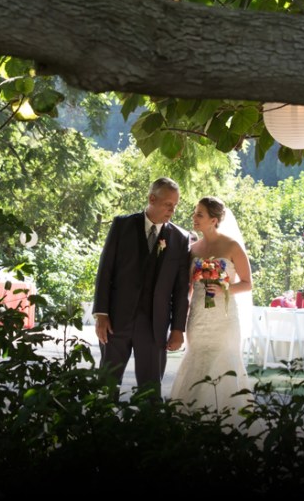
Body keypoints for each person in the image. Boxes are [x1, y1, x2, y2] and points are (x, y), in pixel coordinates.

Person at [92, 177, 192, 401]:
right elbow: (105, 271)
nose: (172, 210)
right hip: (116, 321)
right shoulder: (122, 225)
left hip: (154, 325)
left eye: (175, 205)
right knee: (106, 384)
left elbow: (181, 288)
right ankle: (99, 427)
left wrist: (178, 329)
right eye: (168, 204)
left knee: (150, 389)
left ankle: (148, 432)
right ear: (151, 198)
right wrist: (101, 314)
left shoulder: (180, 238)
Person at [169, 196, 253, 424]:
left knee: (223, 361)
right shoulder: (193, 249)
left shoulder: (232, 246)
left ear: (213, 220)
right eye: (195, 213)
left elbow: (247, 283)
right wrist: (179, 319)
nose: (194, 217)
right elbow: (187, 289)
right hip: (198, 318)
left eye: (200, 214)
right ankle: (191, 420)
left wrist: (224, 287)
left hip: (224, 320)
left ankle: (228, 422)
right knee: (196, 361)